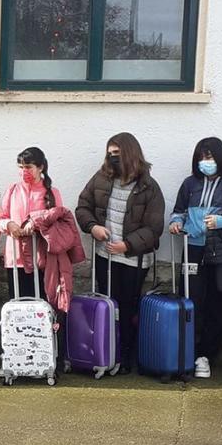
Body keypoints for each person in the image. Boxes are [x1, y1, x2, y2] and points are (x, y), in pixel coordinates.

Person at [168, 138, 222, 379]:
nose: (205, 162)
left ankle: (207, 354)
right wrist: (176, 222)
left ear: (220, 158)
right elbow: (178, 210)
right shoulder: (189, 184)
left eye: (209, 157)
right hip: (193, 249)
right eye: (201, 157)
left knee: (217, 303)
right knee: (191, 300)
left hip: (221, 252)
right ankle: (189, 352)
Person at [75, 133, 165, 374]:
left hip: (133, 260)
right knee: (105, 305)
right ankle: (105, 352)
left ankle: (125, 357)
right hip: (105, 256)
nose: (113, 158)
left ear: (130, 153)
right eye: (110, 153)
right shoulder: (102, 178)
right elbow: (83, 206)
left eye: (117, 153)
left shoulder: (148, 186)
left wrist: (127, 245)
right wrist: (93, 227)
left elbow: (154, 227)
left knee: (127, 308)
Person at [0, 147, 61, 300]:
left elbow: (58, 221)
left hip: (42, 257)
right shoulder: (13, 190)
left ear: (40, 168)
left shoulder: (52, 193)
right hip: (16, 257)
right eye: (21, 167)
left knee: (42, 302)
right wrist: (9, 225)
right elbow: (1, 219)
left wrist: (36, 225)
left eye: (28, 167)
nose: (24, 171)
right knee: (19, 304)